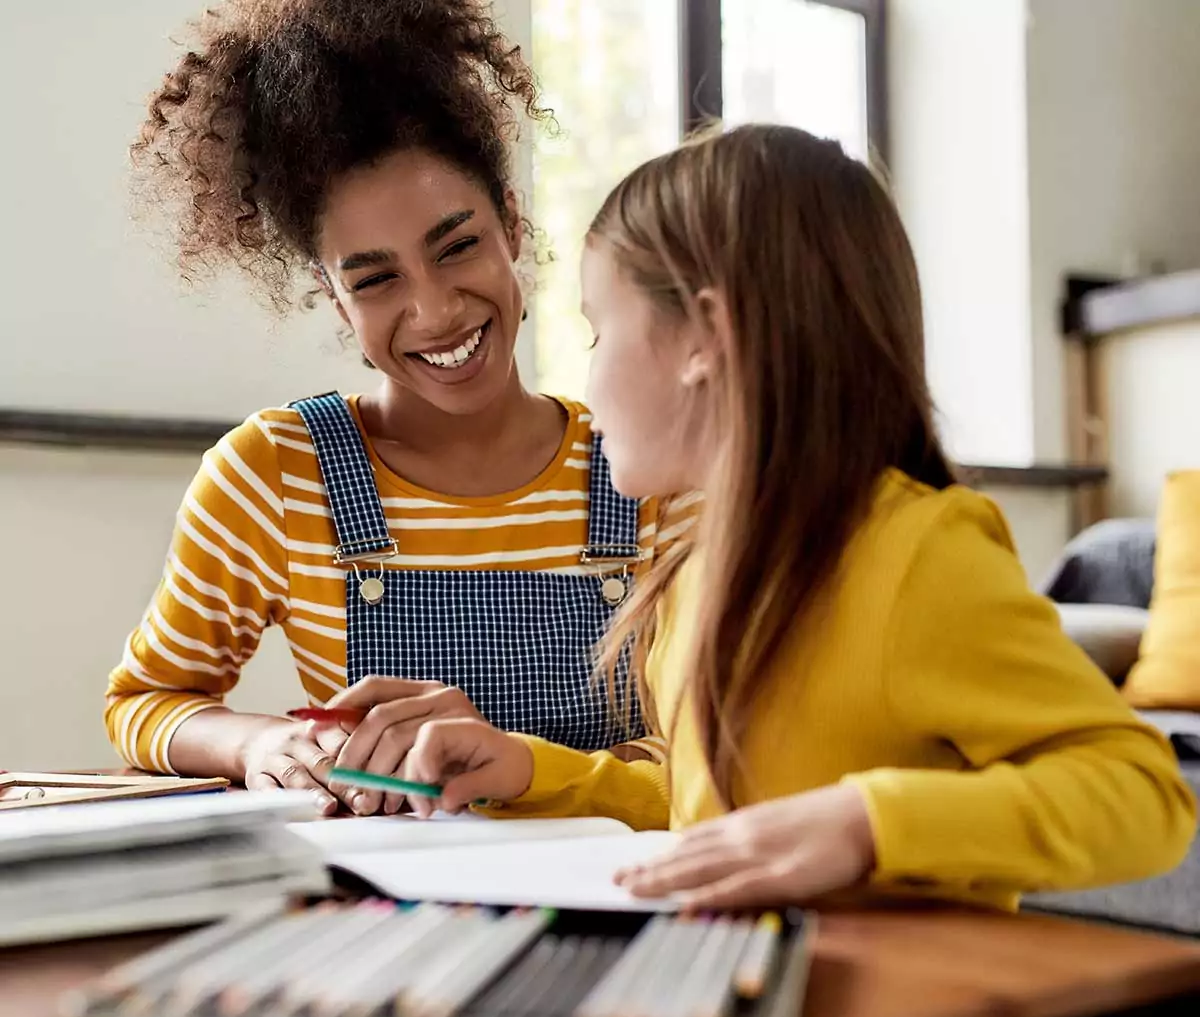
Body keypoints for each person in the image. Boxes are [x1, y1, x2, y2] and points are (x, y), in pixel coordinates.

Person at [397, 124, 1196, 911]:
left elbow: (1143, 793)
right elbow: (714, 808)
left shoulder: (914, 550)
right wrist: (532, 770)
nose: (585, 377)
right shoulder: (691, 564)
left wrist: (867, 823)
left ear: (704, 338)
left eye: (598, 329)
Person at [105, 0, 689, 816]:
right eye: (376, 279)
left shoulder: (653, 470)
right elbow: (144, 703)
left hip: (618, 905)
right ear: (334, 298)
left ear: (512, 225)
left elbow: (710, 756)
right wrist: (258, 743)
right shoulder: (270, 475)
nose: (436, 312)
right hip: (382, 909)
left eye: (458, 246)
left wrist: (524, 762)